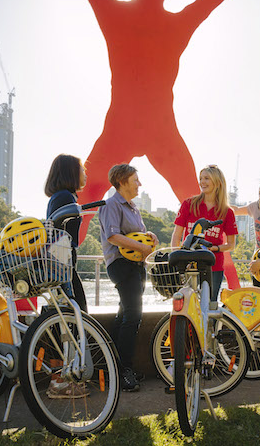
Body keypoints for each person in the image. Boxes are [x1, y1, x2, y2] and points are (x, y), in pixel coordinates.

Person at [35, 0, 260, 243]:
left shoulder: (113, 12)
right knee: (197, 202)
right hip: (161, 129)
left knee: (87, 196)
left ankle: (57, 265)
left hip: (121, 127)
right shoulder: (177, 24)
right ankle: (224, 283)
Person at [99, 164, 157, 392]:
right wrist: (142, 249)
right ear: (122, 181)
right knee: (133, 315)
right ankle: (125, 371)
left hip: (136, 265)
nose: (139, 184)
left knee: (124, 314)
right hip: (122, 265)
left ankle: (114, 366)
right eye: (136, 180)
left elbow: (134, 235)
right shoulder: (111, 204)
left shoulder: (133, 207)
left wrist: (148, 236)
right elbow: (113, 235)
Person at [172, 165, 238, 302]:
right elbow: (177, 235)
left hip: (213, 267)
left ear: (218, 182)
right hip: (188, 265)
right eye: (201, 178)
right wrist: (177, 258)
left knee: (209, 307)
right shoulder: (188, 204)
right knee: (187, 305)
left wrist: (214, 249)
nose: (202, 182)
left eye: (207, 178)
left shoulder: (227, 212)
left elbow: (231, 245)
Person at [44, 154, 88, 313]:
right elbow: (57, 232)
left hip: (61, 259)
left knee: (70, 310)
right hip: (62, 260)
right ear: (70, 172)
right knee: (78, 311)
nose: (85, 173)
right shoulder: (64, 197)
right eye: (82, 169)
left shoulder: (62, 196)